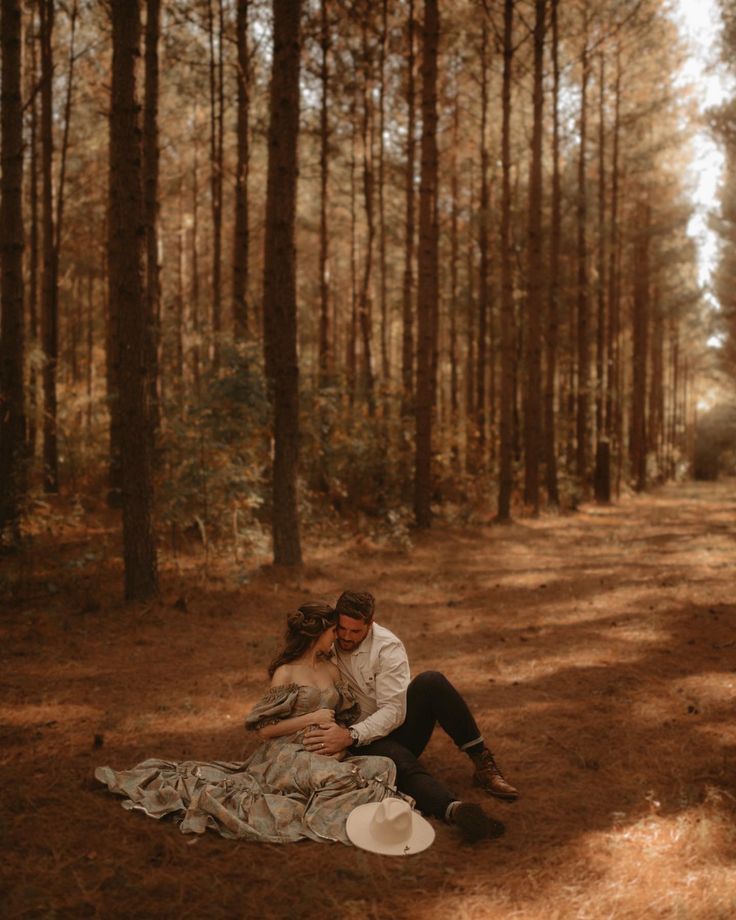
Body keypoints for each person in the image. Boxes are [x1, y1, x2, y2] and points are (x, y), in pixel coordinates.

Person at [95, 603, 398, 845]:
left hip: (325, 751)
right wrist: (311, 718)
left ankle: (331, 792)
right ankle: (321, 818)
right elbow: (264, 729)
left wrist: (339, 745)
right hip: (286, 755)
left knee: (383, 767)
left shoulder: (332, 671)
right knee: (338, 780)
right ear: (318, 633)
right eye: (333, 630)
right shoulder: (286, 673)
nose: (337, 637)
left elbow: (344, 717)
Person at [303, 591, 519, 844]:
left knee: (431, 681)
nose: (347, 637)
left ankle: (483, 764)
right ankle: (454, 809)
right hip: (360, 741)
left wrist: (350, 735)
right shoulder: (327, 639)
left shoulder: (386, 647)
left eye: (356, 632)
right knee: (398, 761)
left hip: (386, 727)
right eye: (343, 629)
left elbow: (394, 711)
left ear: (370, 624)